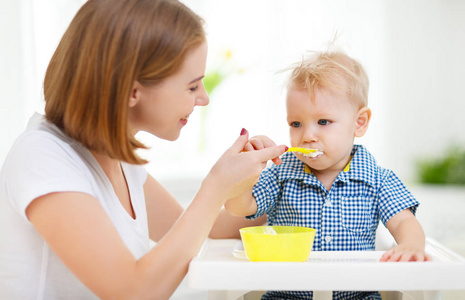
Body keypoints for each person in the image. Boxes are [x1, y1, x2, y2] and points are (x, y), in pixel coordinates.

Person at [0, 0, 286, 298]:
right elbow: (133, 291)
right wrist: (215, 186)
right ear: (132, 91)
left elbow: (210, 230)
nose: (203, 98)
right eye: (191, 86)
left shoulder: (118, 161)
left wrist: (272, 186)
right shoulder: (42, 157)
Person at [225, 49, 432, 300]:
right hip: (287, 295)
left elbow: (404, 222)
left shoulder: (378, 180)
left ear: (360, 122)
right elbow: (239, 207)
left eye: (323, 122)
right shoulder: (280, 174)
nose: (307, 135)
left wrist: (410, 245)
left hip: (358, 296)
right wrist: (247, 171)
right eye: (296, 124)